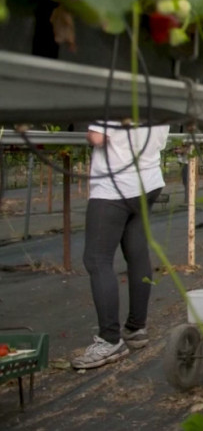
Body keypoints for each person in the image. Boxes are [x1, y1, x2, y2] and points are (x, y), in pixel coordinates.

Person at [72, 120, 169, 369]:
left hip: (115, 186)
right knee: (137, 253)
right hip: (148, 181)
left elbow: (98, 137)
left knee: (97, 259)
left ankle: (110, 339)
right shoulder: (158, 94)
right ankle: (137, 328)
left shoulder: (115, 90)